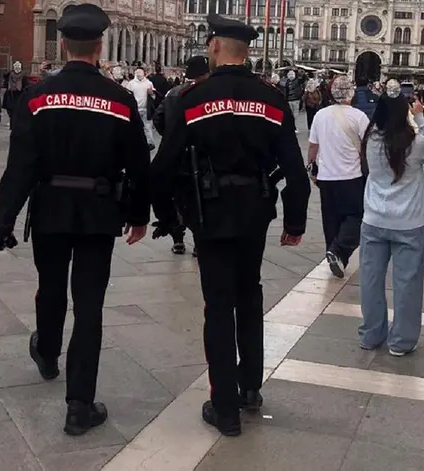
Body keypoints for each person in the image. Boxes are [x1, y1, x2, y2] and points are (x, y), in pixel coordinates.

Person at [0, 3, 151, 435]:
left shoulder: (38, 95)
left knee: (51, 286)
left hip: (50, 209)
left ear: (62, 44)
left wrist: (4, 220)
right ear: (99, 46)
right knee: (90, 304)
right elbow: (138, 163)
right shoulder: (119, 99)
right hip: (100, 213)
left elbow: (20, 163)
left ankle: (46, 350)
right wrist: (139, 214)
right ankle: (79, 405)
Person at [150, 13, 310, 436]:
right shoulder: (272, 98)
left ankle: (224, 407)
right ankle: (250, 388)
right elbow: (295, 169)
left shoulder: (193, 97)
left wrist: (166, 218)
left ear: (216, 46)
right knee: (249, 295)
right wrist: (294, 220)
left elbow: (164, 166)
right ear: (247, 50)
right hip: (255, 209)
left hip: (210, 212)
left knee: (218, 305)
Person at [359, 87, 424, 356]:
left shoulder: (370, 139)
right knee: (407, 283)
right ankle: (401, 340)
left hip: (374, 218)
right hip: (407, 221)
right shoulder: (414, 143)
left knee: (371, 279)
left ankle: (372, 334)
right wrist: (420, 119)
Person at [309, 75, 370, 278]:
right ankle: (338, 251)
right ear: (351, 94)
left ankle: (336, 255)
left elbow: (313, 146)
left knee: (331, 219)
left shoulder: (320, 115)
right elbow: (368, 146)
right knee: (357, 215)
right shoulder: (359, 117)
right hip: (351, 176)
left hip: (326, 177)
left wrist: (311, 167)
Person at [153, 55, 210, 256]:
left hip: (173, 156)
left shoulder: (173, 93)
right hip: (197, 157)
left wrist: (169, 137)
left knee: (176, 197)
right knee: (195, 197)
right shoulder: (205, 94)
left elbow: (158, 117)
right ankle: (198, 242)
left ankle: (178, 240)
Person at [125, 66, 156, 150]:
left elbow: (154, 97)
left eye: (140, 72)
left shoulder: (149, 83)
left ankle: (150, 143)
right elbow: (127, 95)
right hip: (135, 108)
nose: (138, 74)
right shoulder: (131, 83)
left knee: (147, 126)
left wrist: (151, 93)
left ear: (143, 73)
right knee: (135, 126)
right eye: (137, 72)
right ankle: (135, 142)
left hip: (146, 108)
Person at [3, 61, 29, 129]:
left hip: (19, 95)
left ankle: (15, 125)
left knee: (17, 111)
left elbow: (26, 86)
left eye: (18, 66)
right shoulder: (10, 75)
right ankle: (13, 124)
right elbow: (4, 78)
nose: (17, 68)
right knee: (11, 111)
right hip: (11, 95)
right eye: (15, 66)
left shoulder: (23, 76)